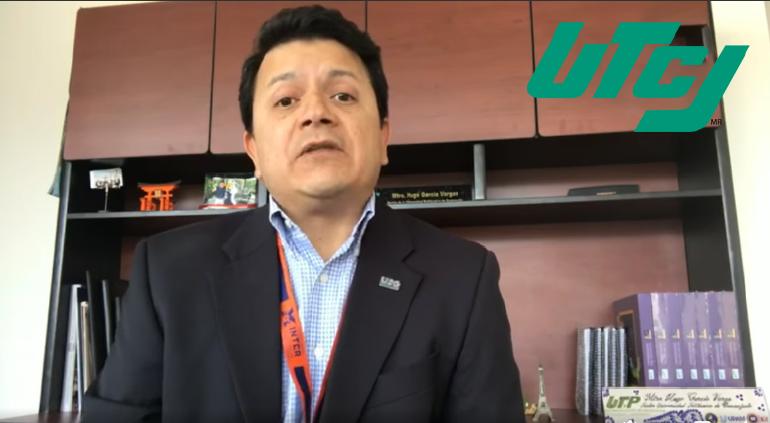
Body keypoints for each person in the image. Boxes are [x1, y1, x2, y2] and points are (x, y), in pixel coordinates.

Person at [84, 5, 525, 423]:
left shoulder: (463, 277)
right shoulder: (169, 271)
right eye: (285, 101)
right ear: (254, 150)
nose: (316, 113)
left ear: (383, 138)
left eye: (343, 95)